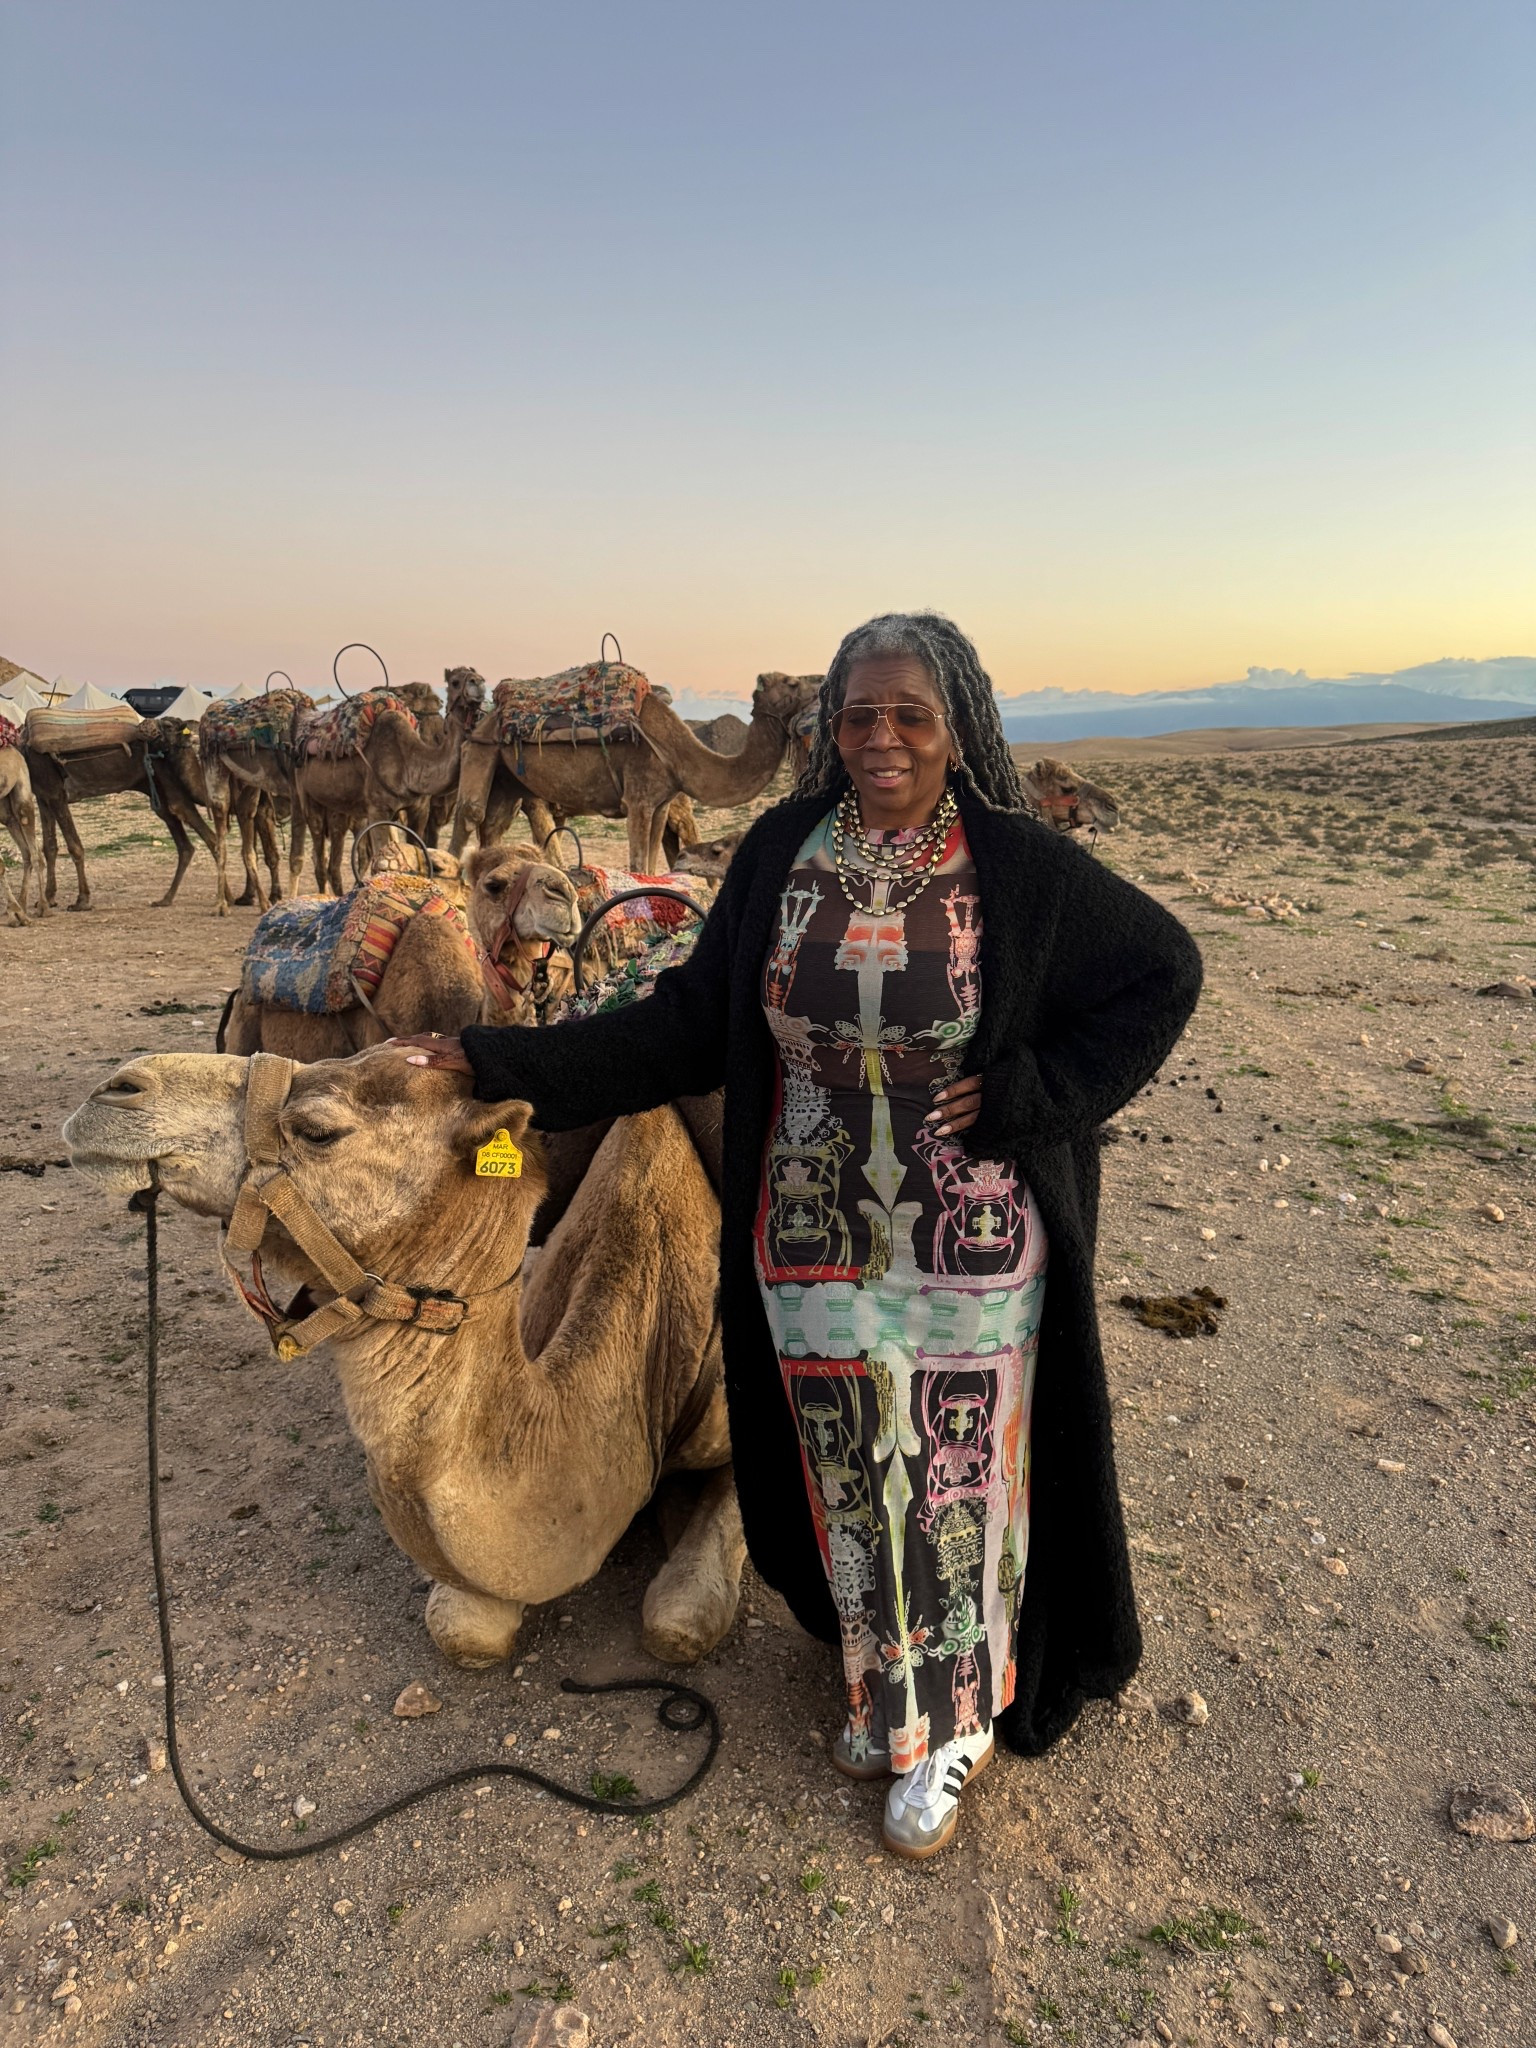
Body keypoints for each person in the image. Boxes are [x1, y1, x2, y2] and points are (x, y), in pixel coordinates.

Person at [397, 611, 1202, 1860]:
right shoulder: (782, 851)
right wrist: (494, 1056)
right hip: (812, 1225)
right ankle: (889, 1683)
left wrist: (1036, 1093)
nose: (883, 738)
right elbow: (681, 1024)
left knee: (954, 1472)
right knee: (851, 1461)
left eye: (910, 714)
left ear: (955, 726)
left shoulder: (1016, 862)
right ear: (832, 728)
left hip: (969, 1230)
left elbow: (1165, 969)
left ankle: (955, 1718)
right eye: (861, 714)